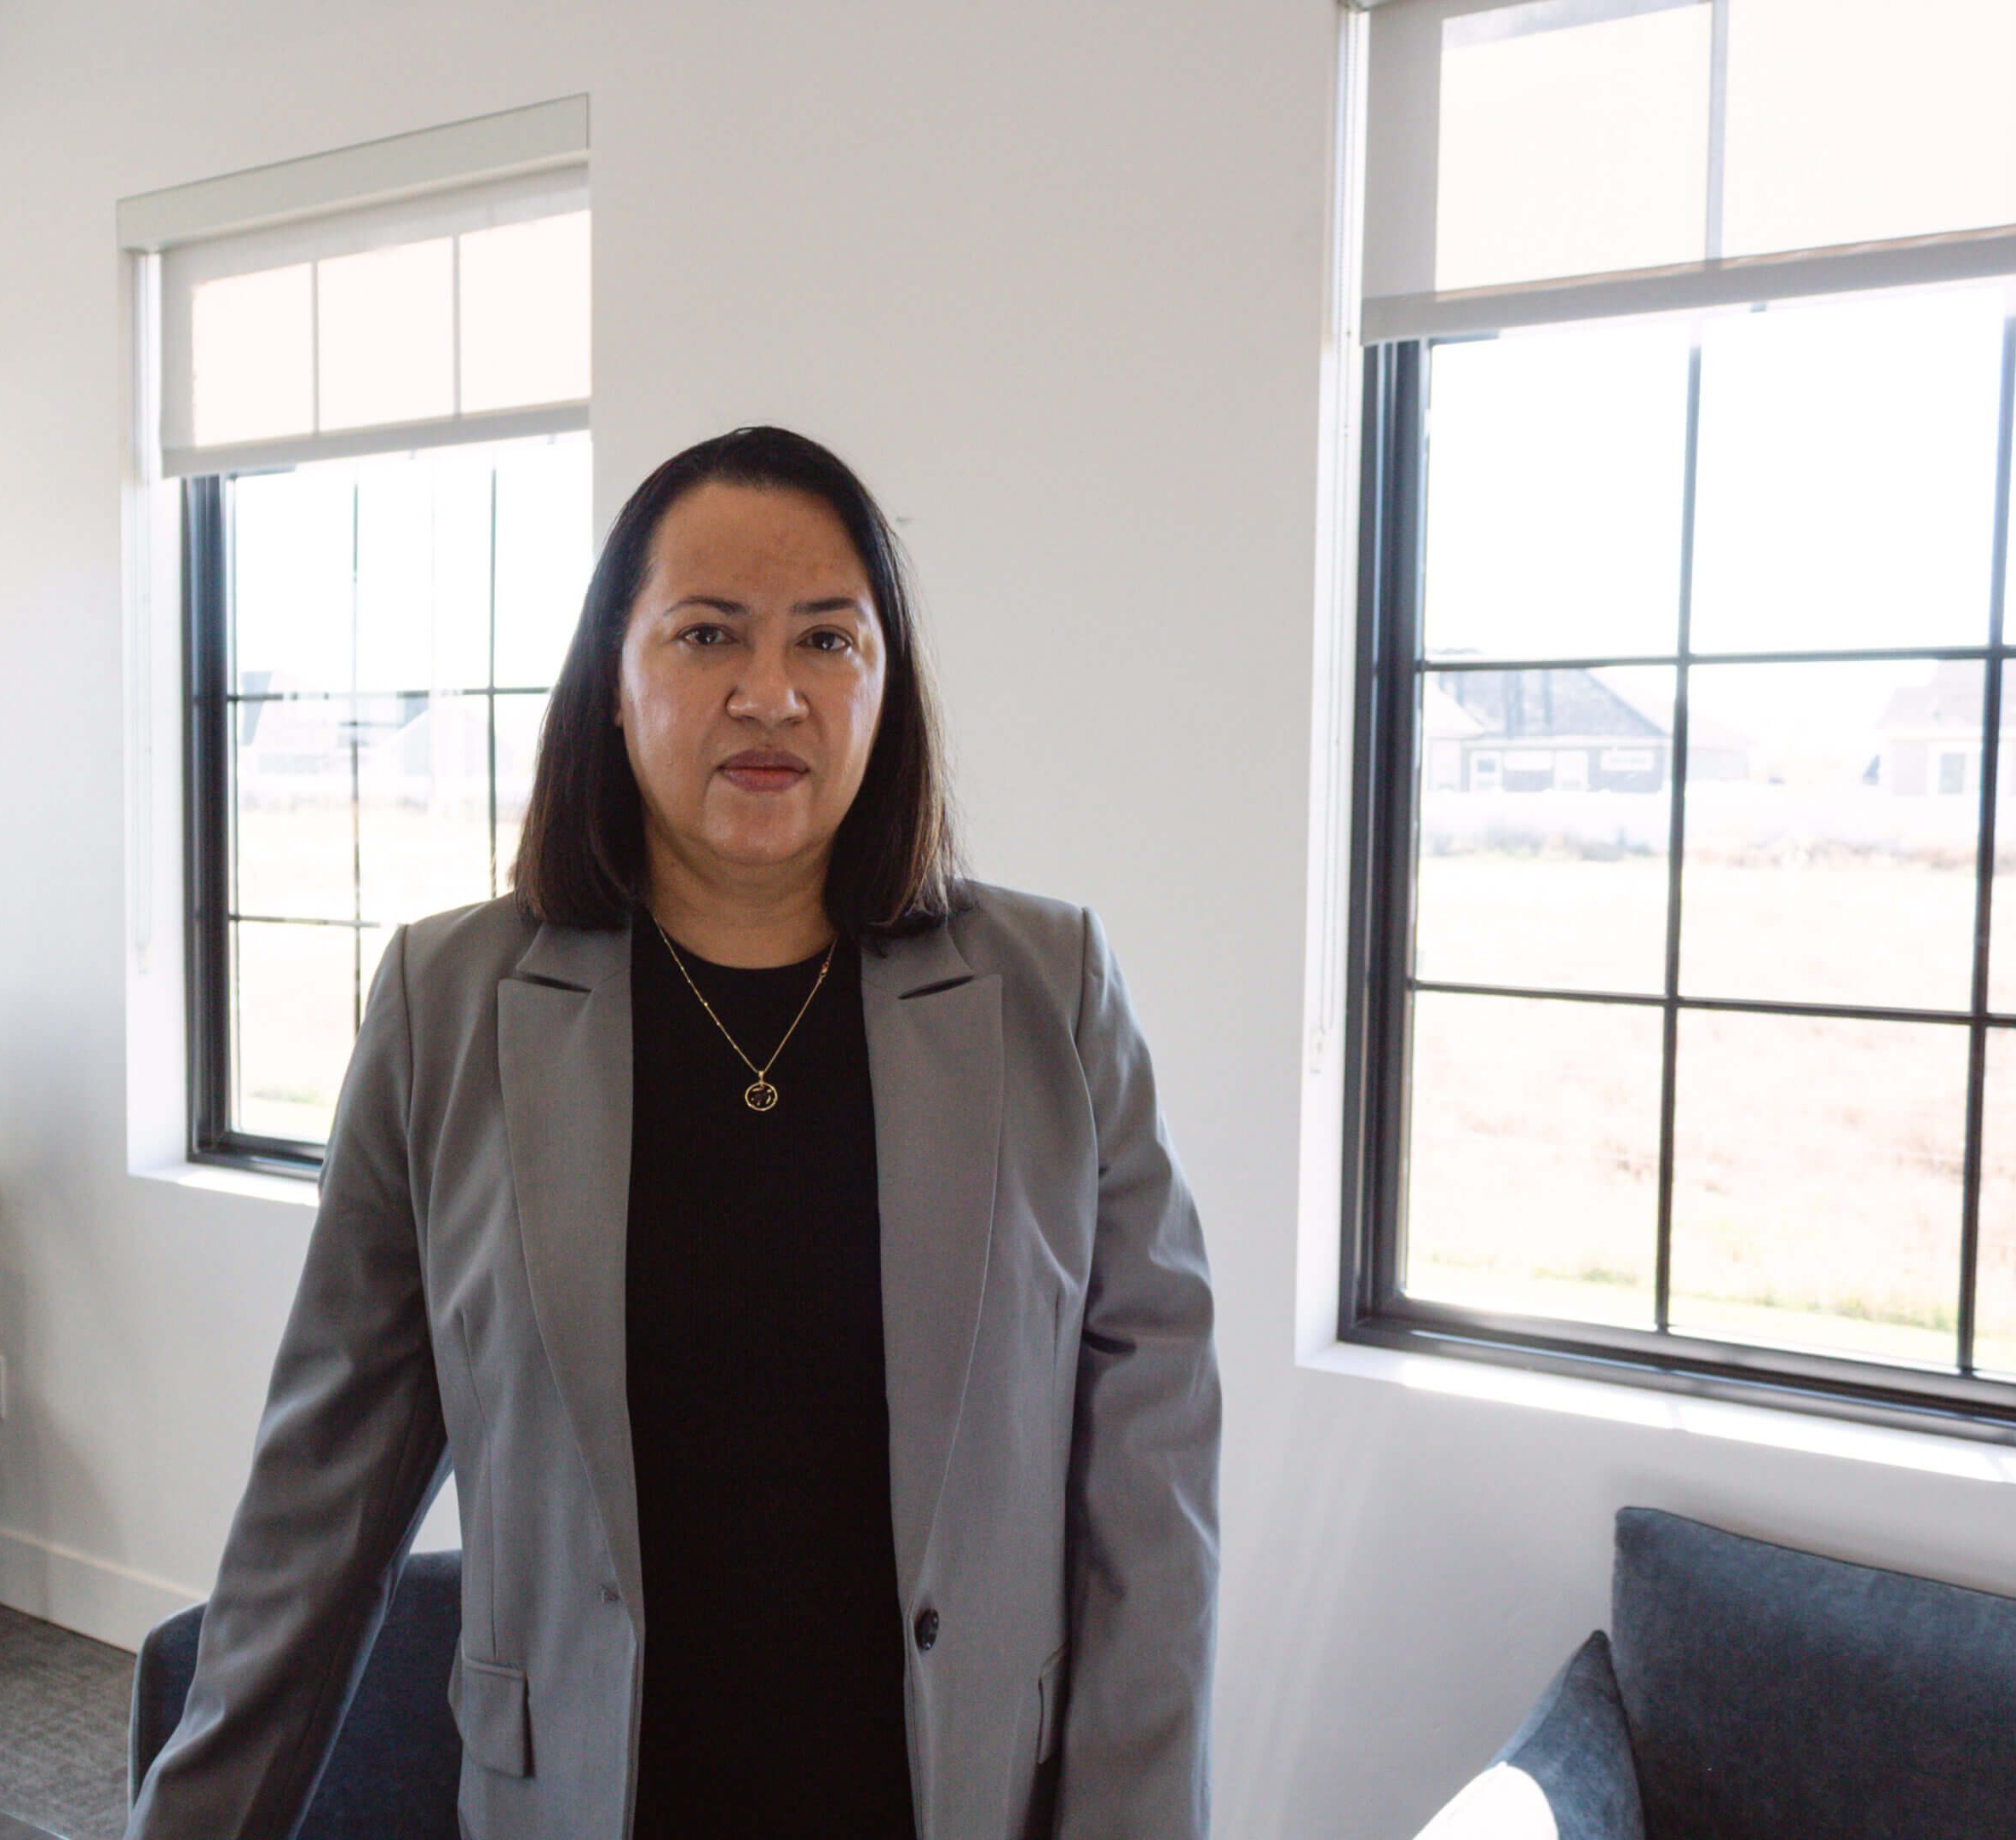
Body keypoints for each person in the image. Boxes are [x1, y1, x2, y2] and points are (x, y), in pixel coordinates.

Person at [125, 425, 1221, 1840]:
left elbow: (1155, 1486)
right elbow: (315, 1511)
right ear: (614, 676)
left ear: (885, 686)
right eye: (710, 635)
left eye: (830, 641)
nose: (772, 694)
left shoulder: (1047, 994)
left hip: (953, 1801)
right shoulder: (449, 1009)